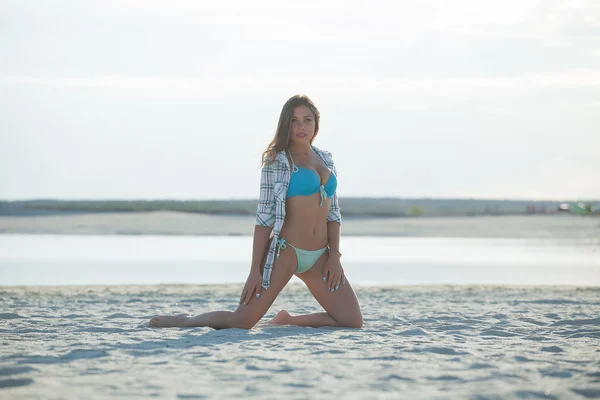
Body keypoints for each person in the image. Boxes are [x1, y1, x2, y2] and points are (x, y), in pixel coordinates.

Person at [149, 94, 363, 329]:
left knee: (352, 321)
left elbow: (333, 213)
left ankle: (287, 320)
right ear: (286, 124)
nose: (301, 126)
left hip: (320, 256)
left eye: (307, 120)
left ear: (316, 124)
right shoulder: (277, 162)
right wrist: (254, 271)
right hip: (286, 252)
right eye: (294, 121)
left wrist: (335, 256)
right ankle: (185, 320)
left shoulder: (326, 159)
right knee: (242, 320)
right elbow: (264, 219)